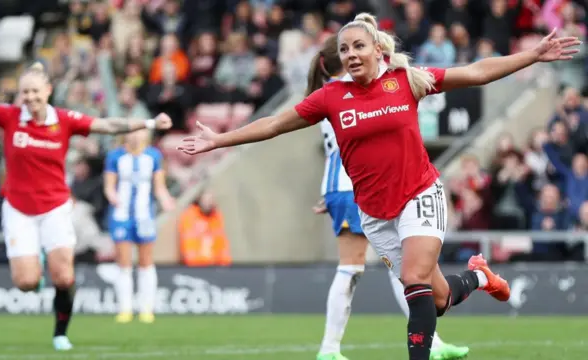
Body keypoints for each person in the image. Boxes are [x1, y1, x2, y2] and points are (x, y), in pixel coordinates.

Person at [177, 13, 580, 360]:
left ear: (377, 50)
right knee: (435, 300)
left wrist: (532, 55)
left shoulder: (407, 80)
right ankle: (479, 276)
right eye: (345, 49)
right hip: (373, 212)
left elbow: (475, 73)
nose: (351, 54)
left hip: (420, 194)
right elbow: (275, 124)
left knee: (415, 282)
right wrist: (219, 139)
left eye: (358, 47)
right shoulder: (331, 97)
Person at [0, 62, 173, 351]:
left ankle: (60, 333)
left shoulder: (65, 120)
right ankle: (35, 266)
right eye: (25, 92)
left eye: (35, 91)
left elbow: (106, 126)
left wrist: (150, 123)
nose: (30, 97)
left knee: (65, 277)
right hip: (19, 209)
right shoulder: (10, 117)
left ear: (48, 91)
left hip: (55, 207)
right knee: (26, 282)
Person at [309, 34, 468, 360]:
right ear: (340, 59)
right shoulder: (342, 92)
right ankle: (329, 348)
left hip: (347, 187)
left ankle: (432, 342)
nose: (355, 54)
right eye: (347, 49)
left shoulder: (332, 94)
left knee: (407, 270)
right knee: (356, 268)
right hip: (359, 187)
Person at [104, 128, 176, 324]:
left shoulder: (153, 155)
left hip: (144, 216)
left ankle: (147, 309)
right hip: (121, 216)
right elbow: (109, 185)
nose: (136, 135)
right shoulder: (115, 156)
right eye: (132, 131)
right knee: (124, 263)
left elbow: (159, 186)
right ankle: (125, 309)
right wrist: (112, 196)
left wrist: (166, 200)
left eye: (140, 131)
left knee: (146, 262)